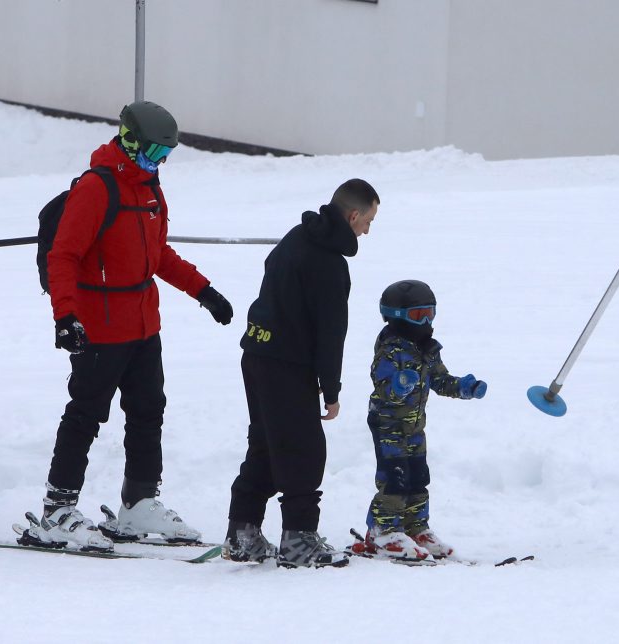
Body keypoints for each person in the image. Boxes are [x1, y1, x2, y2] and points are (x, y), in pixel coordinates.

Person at [20, 101, 234, 552]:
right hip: (98, 327)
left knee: (147, 411)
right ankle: (56, 510)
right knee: (85, 415)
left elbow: (158, 257)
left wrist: (204, 291)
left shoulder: (151, 190)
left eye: (166, 156)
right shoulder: (98, 188)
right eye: (154, 152)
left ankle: (138, 503)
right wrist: (65, 317)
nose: (159, 163)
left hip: (143, 325)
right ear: (130, 139)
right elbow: (64, 256)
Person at [224, 178, 379, 568]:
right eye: (369, 219)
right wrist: (331, 388)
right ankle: (298, 540)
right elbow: (331, 333)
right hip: (286, 363)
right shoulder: (329, 263)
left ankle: (242, 532)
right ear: (354, 214)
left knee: (266, 444)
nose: (368, 229)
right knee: (303, 449)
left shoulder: (296, 237)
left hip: (256, 352)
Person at [350, 280, 487, 561]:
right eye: (417, 315)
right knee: (395, 478)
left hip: (414, 426)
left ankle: (416, 527)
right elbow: (383, 385)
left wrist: (463, 387)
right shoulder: (391, 349)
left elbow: (439, 379)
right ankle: (383, 530)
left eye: (430, 313)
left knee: (417, 477)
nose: (425, 321)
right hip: (388, 424)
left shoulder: (427, 348)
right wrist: (398, 386)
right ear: (395, 316)